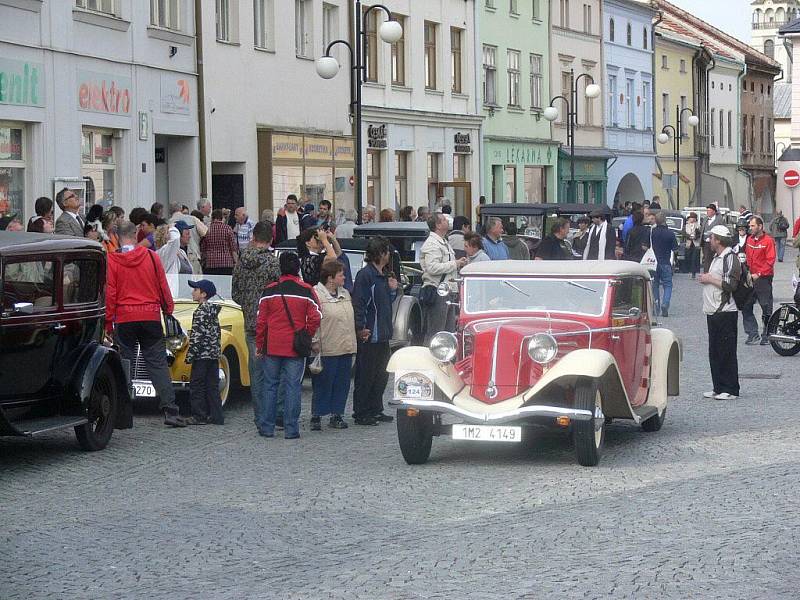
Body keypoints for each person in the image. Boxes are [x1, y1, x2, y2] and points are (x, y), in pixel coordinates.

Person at [106, 222, 186, 427]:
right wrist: (168, 309)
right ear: (135, 235)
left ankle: (122, 413)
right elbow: (162, 285)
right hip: (150, 315)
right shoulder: (151, 256)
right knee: (157, 364)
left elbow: (111, 293)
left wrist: (107, 321)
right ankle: (170, 410)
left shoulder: (113, 260)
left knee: (125, 364)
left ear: (117, 236)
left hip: (125, 318)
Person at [255, 252, 321, 439]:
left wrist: (260, 345)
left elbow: (261, 321)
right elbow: (317, 315)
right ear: (298, 268)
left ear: (280, 268)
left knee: (270, 386)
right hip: (295, 346)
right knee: (293, 386)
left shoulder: (269, 290)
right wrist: (306, 333)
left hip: (272, 345)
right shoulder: (306, 290)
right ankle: (291, 429)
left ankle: (267, 427)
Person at [232, 221, 281, 435]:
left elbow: (235, 293)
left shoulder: (241, 262)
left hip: (250, 322)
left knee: (256, 372)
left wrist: (248, 306)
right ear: (270, 239)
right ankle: (273, 415)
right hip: (270, 323)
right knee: (274, 371)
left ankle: (260, 417)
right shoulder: (272, 263)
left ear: (253, 237)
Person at [352, 237, 399, 426]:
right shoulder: (366, 275)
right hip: (370, 334)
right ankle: (361, 411)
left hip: (383, 334)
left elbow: (386, 302)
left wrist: (393, 290)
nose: (388, 255)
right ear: (380, 254)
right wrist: (360, 327)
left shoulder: (384, 275)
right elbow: (360, 303)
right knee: (366, 375)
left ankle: (376, 408)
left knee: (381, 375)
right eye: (386, 251)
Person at [311, 261, 357, 431]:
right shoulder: (316, 294)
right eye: (340, 275)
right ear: (330, 278)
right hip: (326, 346)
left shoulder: (345, 293)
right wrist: (314, 341)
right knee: (323, 383)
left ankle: (337, 414)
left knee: (342, 383)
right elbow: (313, 319)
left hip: (345, 345)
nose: (344, 277)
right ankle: (316, 414)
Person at [698, 225, 741, 400]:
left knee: (726, 351)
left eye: (712, 238)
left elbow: (731, 284)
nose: (709, 241)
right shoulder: (717, 257)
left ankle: (730, 389)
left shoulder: (730, 257)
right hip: (713, 310)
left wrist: (709, 278)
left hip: (725, 311)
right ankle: (718, 386)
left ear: (719, 240)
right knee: (714, 351)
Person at [420, 214, 467, 341]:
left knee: (448, 331)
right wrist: (455, 263)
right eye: (444, 220)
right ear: (438, 225)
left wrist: (457, 263)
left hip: (448, 290)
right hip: (438, 291)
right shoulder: (432, 244)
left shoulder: (444, 242)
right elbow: (432, 268)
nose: (448, 221)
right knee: (436, 332)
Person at [185, 279, 224, 426]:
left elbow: (197, 336)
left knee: (197, 385)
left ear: (203, 294)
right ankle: (217, 415)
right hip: (213, 355)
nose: (192, 292)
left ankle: (199, 415)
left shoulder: (200, 311)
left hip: (201, 355)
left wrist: (190, 355)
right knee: (212, 386)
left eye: (195, 289)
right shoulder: (213, 311)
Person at [743, 216, 776, 345]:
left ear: (760, 226)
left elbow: (770, 261)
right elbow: (747, 257)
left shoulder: (768, 241)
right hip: (750, 277)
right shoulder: (750, 239)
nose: (750, 228)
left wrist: (759, 273)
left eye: (752, 226)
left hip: (764, 278)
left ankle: (767, 334)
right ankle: (752, 333)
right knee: (746, 305)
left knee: (766, 307)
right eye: (750, 226)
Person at [651, 213, 679, 317]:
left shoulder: (652, 232)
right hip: (665, 262)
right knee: (668, 285)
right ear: (665, 221)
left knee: (655, 285)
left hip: (653, 263)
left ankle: (656, 306)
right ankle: (665, 303)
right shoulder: (670, 233)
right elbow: (675, 249)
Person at [170, 202, 207, 274]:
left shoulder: (169, 222)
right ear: (181, 209)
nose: (189, 236)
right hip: (193, 255)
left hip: (175, 256)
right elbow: (206, 233)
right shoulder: (193, 219)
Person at [201, 209, 239, 275]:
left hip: (211, 263)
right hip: (226, 263)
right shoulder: (228, 228)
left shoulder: (207, 229)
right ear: (221, 218)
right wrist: (236, 262)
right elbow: (233, 248)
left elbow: (203, 248)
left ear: (212, 218)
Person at [701, 203, 722, 273]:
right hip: (706, 242)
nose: (707, 212)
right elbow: (703, 229)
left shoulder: (719, 220)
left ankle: (715, 272)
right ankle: (706, 273)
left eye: (709, 210)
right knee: (706, 258)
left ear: (714, 211)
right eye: (707, 210)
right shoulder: (705, 219)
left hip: (715, 242)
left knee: (715, 257)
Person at [684, 212, 701, 279]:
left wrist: (695, 237)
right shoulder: (686, 225)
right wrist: (689, 236)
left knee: (694, 258)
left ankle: (693, 273)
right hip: (689, 243)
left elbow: (699, 234)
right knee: (688, 258)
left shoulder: (698, 225)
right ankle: (688, 270)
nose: (691, 219)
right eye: (691, 218)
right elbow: (684, 233)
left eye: (693, 218)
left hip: (695, 243)